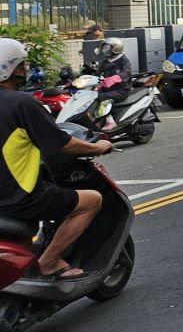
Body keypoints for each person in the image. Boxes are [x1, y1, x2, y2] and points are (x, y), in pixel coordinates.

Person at [0, 38, 113, 279]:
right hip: (17, 198)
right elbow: (62, 144)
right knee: (91, 200)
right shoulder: (21, 103)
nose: (24, 71)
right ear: (10, 69)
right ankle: (50, 262)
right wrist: (98, 147)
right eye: (21, 66)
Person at [95, 36, 133, 103]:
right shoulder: (105, 62)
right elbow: (97, 75)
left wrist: (114, 79)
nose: (104, 50)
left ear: (116, 49)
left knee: (96, 97)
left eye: (107, 48)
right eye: (104, 47)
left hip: (120, 91)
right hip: (107, 89)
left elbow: (127, 73)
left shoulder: (124, 60)